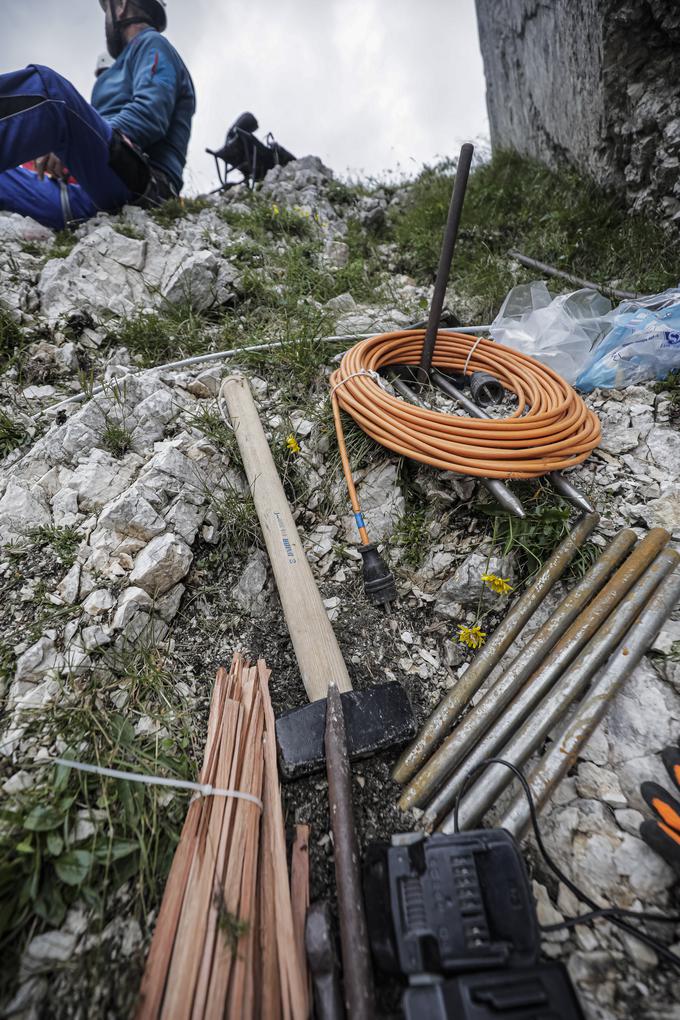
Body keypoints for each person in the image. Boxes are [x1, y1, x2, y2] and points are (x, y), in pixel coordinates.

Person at [0, 0, 196, 230]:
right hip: (89, 192)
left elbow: (150, 116)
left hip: (146, 183)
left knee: (49, 91)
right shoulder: (116, 71)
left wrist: (70, 144)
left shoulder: (152, 43)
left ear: (121, 5)